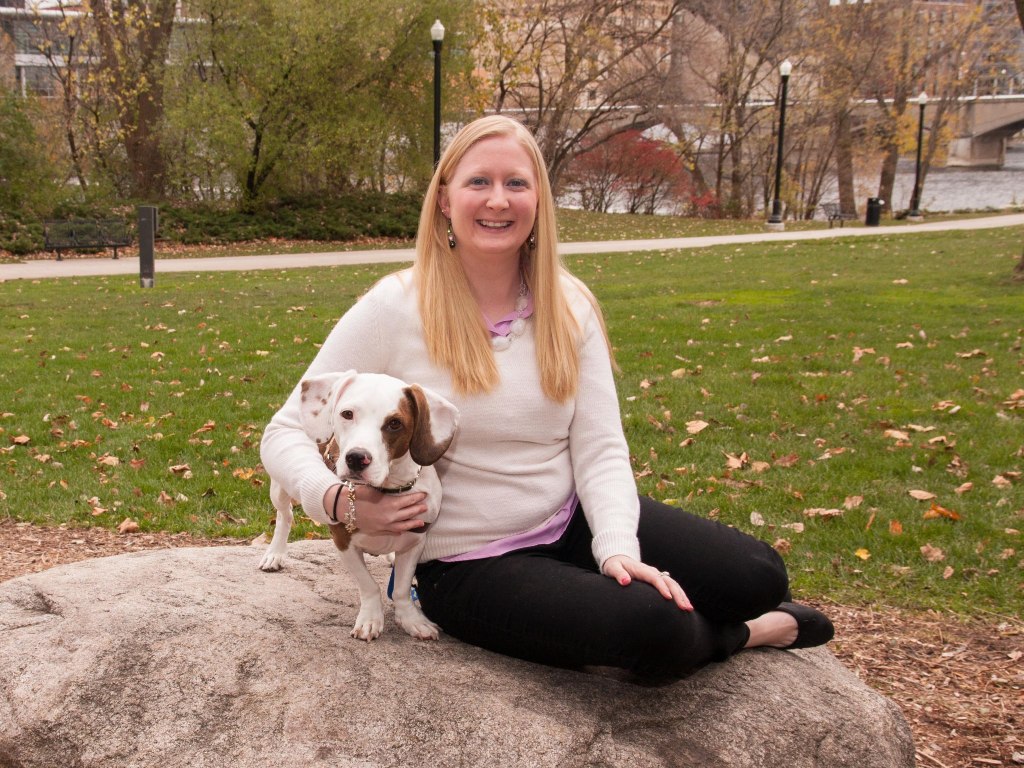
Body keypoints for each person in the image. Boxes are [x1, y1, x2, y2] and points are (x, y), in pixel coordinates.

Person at [260, 114, 833, 677]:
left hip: (567, 518)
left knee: (758, 575)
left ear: (539, 200)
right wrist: (338, 501)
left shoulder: (568, 303)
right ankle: (748, 634)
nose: (498, 200)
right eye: (478, 181)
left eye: (516, 182)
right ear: (445, 200)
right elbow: (284, 432)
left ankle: (693, 614)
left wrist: (616, 548)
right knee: (656, 628)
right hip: (466, 559)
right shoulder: (394, 306)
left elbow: (600, 447)